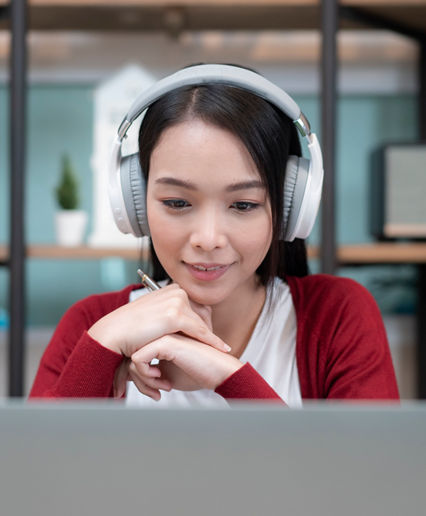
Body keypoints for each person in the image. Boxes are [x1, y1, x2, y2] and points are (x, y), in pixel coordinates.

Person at [30, 64, 399, 405]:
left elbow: (365, 475)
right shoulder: (94, 325)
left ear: (288, 208)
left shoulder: (336, 316)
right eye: (176, 202)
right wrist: (102, 348)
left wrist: (227, 376)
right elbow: (35, 472)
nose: (208, 239)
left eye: (242, 205)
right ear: (136, 204)